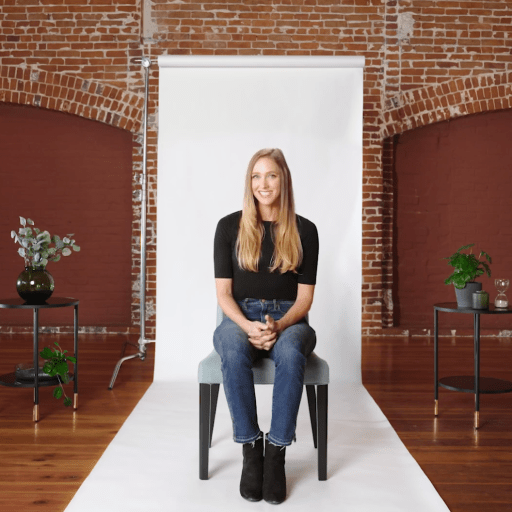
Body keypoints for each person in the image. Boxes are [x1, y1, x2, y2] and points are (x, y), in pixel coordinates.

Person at [213, 148, 319, 504]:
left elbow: (305, 299)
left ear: (283, 179)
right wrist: (247, 325)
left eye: (271, 175)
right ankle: (249, 448)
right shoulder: (229, 227)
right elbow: (224, 294)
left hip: (290, 318)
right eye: (256, 177)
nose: (263, 184)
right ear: (249, 183)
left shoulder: (306, 229)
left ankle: (276, 451)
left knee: (290, 352)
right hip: (240, 315)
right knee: (229, 346)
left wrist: (279, 325)